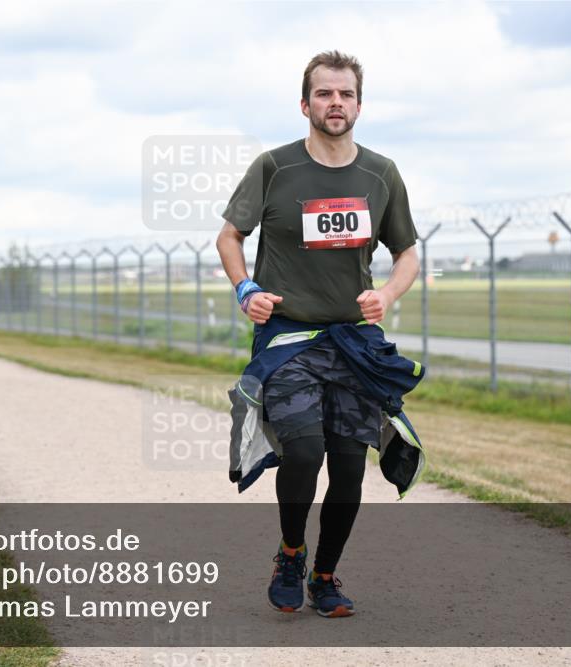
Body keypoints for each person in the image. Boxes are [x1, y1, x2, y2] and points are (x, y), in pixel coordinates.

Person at [216, 50, 420, 618]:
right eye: (325, 94)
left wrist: (389, 294)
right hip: (288, 339)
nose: (337, 103)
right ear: (305, 104)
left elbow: (406, 252)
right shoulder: (274, 168)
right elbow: (229, 237)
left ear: (359, 103)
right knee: (303, 451)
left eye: (346, 94)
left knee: (350, 469)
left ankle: (325, 576)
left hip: (352, 343)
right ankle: (290, 552)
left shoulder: (381, 173)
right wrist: (245, 289)